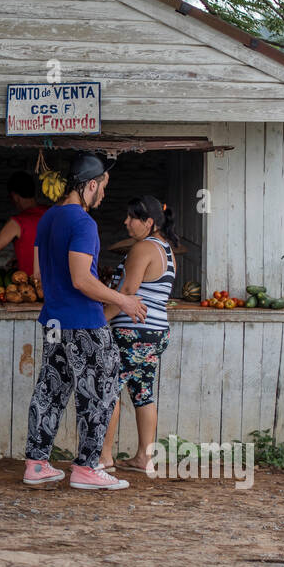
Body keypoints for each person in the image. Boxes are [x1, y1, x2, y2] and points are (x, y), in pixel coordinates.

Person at [22, 154, 147, 490]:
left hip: (53, 321)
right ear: (91, 185)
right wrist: (124, 300)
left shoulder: (48, 218)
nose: (103, 196)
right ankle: (87, 468)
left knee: (50, 390)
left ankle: (36, 464)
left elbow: (37, 273)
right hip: (84, 324)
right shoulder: (82, 223)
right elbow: (81, 279)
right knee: (101, 392)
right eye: (103, 188)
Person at [98, 195, 178, 476]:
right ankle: (145, 458)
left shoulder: (144, 247)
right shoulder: (164, 248)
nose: (126, 222)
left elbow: (127, 293)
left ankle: (104, 456)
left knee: (110, 388)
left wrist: (98, 322)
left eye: (132, 218)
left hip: (134, 333)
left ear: (149, 222)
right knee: (143, 393)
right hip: (154, 332)